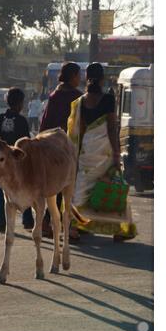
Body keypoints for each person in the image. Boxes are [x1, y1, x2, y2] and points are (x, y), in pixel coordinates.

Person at [67, 63, 135, 240]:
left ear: (86, 77)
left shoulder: (81, 101)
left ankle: (74, 227)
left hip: (87, 150)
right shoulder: (108, 99)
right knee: (112, 187)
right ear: (103, 78)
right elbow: (111, 128)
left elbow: (80, 130)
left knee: (82, 189)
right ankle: (119, 230)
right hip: (104, 150)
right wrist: (116, 152)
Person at [39, 62, 83, 241]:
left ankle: (46, 222)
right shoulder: (77, 97)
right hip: (67, 147)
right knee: (69, 187)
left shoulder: (54, 95)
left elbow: (45, 120)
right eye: (78, 75)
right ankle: (69, 227)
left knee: (53, 187)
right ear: (72, 76)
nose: (80, 79)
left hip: (49, 145)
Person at [0, 88, 34, 232]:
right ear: (20, 104)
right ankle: (28, 220)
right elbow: (26, 142)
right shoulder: (22, 120)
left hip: (1, 163)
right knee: (24, 190)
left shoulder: (0, 118)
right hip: (17, 162)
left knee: (0, 191)